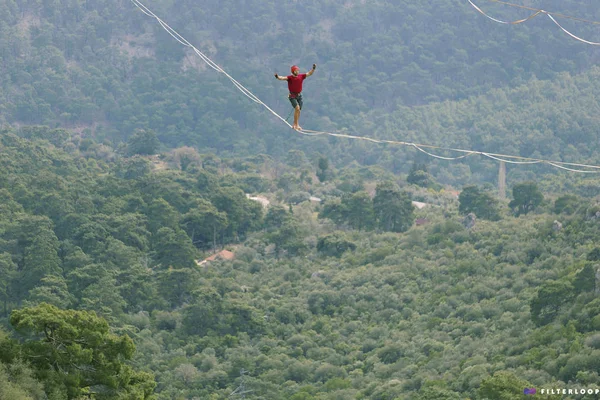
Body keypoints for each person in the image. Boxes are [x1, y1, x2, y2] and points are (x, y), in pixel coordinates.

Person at [275, 64, 316, 130]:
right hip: (292, 96)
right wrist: (277, 77)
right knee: (297, 108)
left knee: (299, 110)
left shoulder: (301, 76)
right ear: (293, 71)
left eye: (298, 70)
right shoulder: (290, 78)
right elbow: (282, 78)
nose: (298, 71)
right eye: (296, 70)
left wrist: (313, 69)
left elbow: (309, 73)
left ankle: (296, 124)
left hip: (299, 96)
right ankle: (295, 124)